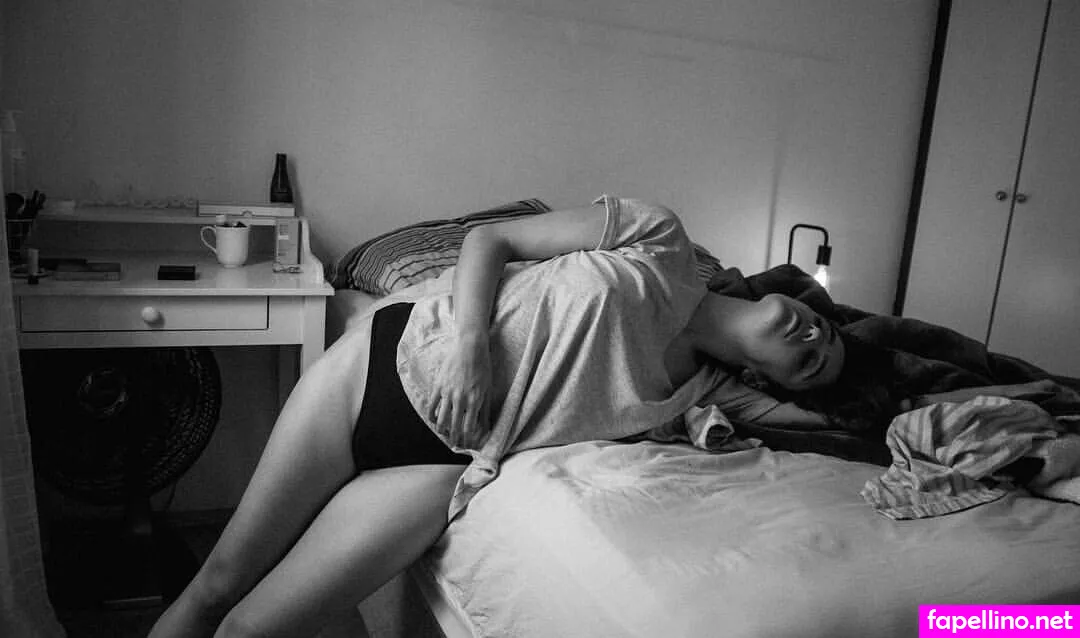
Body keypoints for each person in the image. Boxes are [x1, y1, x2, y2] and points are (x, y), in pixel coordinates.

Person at [148, 196, 845, 638]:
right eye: (823, 327)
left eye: (813, 360)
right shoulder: (660, 238)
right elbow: (490, 240)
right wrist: (471, 345)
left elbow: (845, 430)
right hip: (387, 368)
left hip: (439, 465)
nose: (814, 336)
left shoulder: (703, 395)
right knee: (216, 586)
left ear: (768, 381)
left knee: (248, 630)